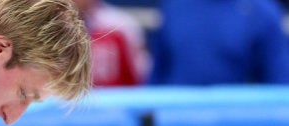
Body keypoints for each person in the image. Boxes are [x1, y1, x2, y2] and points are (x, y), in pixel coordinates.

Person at [149, 0, 289, 85]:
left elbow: (279, 87)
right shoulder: (175, 6)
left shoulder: (262, 12)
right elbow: (157, 75)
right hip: (175, 122)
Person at [73, 0, 150, 86]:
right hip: (66, 97)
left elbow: (141, 75)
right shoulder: (56, 28)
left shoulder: (120, 26)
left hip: (117, 97)